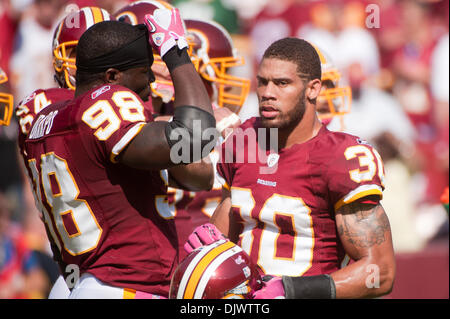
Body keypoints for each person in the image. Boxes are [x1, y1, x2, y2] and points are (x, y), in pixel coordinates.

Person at [21, 5, 217, 300]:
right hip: (124, 284)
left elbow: (199, 177)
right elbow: (196, 137)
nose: (151, 84)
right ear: (112, 76)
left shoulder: (46, 117)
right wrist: (176, 52)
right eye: (143, 74)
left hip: (81, 283)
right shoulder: (103, 108)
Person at [186, 37, 396, 299]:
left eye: (282, 83)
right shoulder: (244, 139)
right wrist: (211, 247)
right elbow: (231, 219)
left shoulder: (341, 157)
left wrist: (292, 290)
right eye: (262, 82)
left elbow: (381, 273)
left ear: (313, 89)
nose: (267, 93)